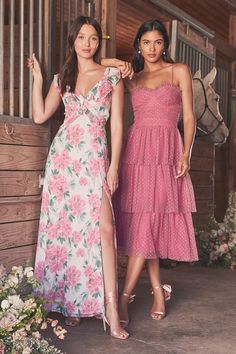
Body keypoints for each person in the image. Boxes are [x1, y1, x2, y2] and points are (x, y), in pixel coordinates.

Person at [28, 15, 129, 340]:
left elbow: (116, 126)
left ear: (100, 42)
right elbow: (41, 115)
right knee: (68, 230)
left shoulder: (112, 75)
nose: (88, 43)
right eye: (82, 37)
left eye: (93, 38)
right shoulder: (63, 77)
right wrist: (38, 78)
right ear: (73, 41)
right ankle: (72, 304)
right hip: (64, 159)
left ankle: (110, 309)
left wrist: (113, 166)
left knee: (104, 227)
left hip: (95, 158)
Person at [102, 19, 198, 326]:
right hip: (136, 154)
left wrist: (185, 154)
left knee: (150, 220)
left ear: (165, 44)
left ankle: (123, 297)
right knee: (145, 222)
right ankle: (158, 289)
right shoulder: (133, 76)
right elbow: (97, 62)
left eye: (157, 42)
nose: (152, 48)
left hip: (167, 153)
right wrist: (121, 63)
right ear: (138, 46)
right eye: (146, 43)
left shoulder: (178, 70)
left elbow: (191, 117)